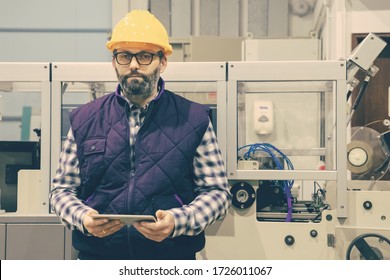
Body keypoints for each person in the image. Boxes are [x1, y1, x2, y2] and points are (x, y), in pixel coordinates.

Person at [50, 10, 231, 260]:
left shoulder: (194, 119)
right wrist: (82, 218)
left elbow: (217, 193)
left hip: (170, 262)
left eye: (144, 56)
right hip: (98, 260)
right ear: (114, 62)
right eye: (124, 56)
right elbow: (61, 191)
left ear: (163, 61)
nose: (133, 64)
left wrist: (178, 221)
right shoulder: (85, 119)